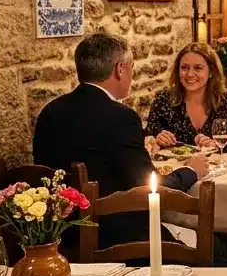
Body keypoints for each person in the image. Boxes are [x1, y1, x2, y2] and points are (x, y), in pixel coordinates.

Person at [34, 32, 208, 246]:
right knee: (219, 251)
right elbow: (148, 187)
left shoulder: (50, 112)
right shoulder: (121, 117)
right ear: (120, 69)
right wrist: (191, 170)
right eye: (131, 67)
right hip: (118, 239)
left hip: (60, 237)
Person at [145, 43, 227, 152]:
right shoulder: (164, 99)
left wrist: (216, 145)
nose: (190, 74)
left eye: (198, 68)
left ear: (211, 72)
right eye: (184, 68)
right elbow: (147, 141)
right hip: (176, 168)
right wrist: (157, 140)